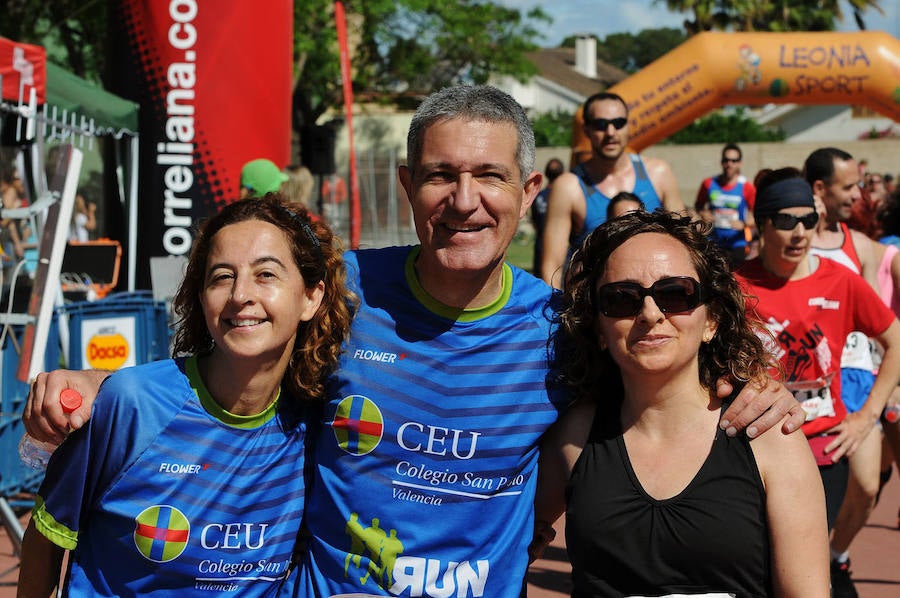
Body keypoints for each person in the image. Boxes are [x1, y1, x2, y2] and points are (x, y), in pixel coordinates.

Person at [24, 85, 803, 598]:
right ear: (407, 186)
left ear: (530, 192)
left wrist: (751, 391)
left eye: (490, 177)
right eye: (440, 176)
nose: (464, 202)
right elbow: (234, 350)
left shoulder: (559, 328)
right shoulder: (342, 290)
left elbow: (659, 368)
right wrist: (94, 386)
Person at [18, 194, 354, 596]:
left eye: (266, 274)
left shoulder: (315, 420)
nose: (240, 294)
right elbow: (46, 536)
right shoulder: (131, 406)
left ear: (311, 297)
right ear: (201, 298)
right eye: (221, 276)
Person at [536, 209, 829, 597]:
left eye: (675, 294)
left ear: (711, 321)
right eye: (621, 299)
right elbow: (499, 548)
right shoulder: (573, 437)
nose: (650, 314)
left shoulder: (769, 434)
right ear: (600, 328)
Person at [735, 171, 900, 598]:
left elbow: (895, 341)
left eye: (809, 220)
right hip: (757, 449)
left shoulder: (841, 281)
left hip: (824, 451)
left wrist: (866, 417)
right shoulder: (736, 288)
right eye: (786, 221)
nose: (801, 232)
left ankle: (833, 563)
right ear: (763, 223)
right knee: (757, 563)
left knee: (796, 568)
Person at [804, 148, 894, 597]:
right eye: (848, 187)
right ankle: (805, 564)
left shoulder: (858, 245)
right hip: (809, 384)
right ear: (819, 190)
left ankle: (836, 553)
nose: (857, 195)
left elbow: (879, 313)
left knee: (865, 486)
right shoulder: (791, 244)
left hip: (857, 379)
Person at [540, 92, 685, 289]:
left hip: (658, 302)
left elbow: (686, 244)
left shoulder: (659, 173)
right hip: (599, 309)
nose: (610, 132)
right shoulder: (568, 187)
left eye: (618, 123)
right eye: (600, 124)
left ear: (628, 125)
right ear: (587, 129)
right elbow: (552, 264)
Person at [695, 142, 757, 266]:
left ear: (740, 163)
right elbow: (699, 205)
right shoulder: (709, 183)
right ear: (721, 162)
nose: (729, 164)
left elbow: (757, 214)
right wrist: (703, 213)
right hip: (714, 242)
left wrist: (744, 224)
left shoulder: (746, 187)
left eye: (734, 161)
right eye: (726, 160)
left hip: (737, 243)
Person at [531, 157, 564, 274]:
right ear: (563, 173)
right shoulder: (567, 197)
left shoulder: (538, 197)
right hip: (563, 249)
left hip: (541, 247)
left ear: (546, 174)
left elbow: (535, 223)